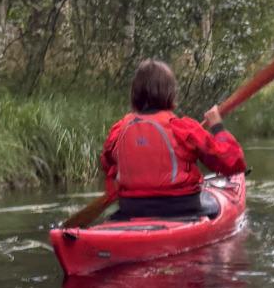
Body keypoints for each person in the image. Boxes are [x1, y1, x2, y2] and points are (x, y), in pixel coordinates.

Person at [98, 59, 247, 220]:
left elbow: (108, 166)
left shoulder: (119, 131)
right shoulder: (183, 129)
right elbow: (232, 163)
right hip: (181, 208)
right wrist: (217, 126)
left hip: (132, 208)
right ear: (170, 93)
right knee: (213, 204)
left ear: (134, 94)